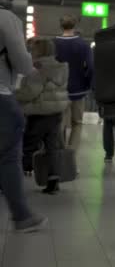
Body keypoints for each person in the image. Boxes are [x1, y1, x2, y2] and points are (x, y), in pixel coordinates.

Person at [0, 0, 47, 232]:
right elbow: (22, 61)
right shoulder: (6, 18)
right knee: (8, 157)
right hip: (1, 97)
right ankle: (22, 216)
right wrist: (32, 71)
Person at [16, 38, 69, 194]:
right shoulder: (61, 67)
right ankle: (53, 181)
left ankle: (11, 178)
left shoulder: (38, 68)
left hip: (39, 113)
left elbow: (31, 92)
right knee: (52, 148)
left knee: (27, 146)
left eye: (33, 49)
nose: (31, 52)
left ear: (39, 51)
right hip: (56, 113)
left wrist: (15, 94)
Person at [54, 15, 93, 154]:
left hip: (58, 90)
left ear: (61, 26)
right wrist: (87, 83)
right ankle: (70, 156)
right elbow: (91, 66)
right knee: (77, 123)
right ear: (75, 26)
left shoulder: (53, 43)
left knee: (60, 124)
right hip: (78, 91)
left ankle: (59, 154)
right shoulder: (83, 45)